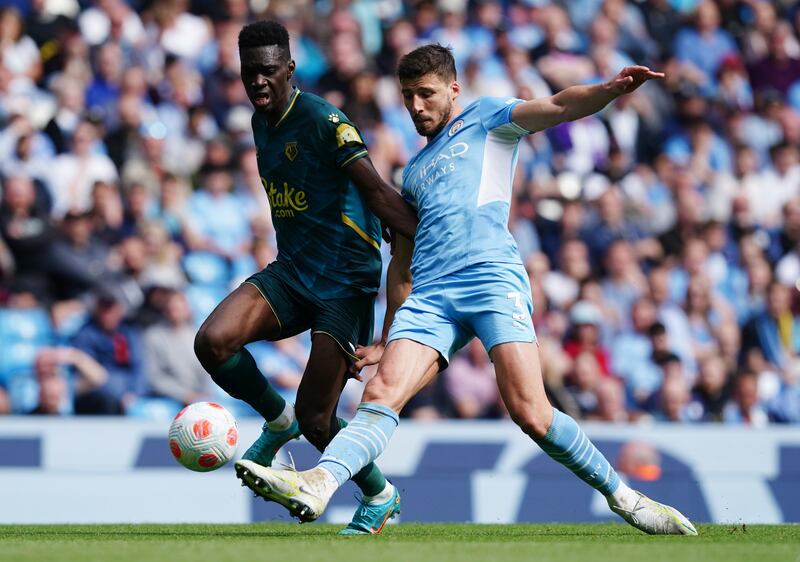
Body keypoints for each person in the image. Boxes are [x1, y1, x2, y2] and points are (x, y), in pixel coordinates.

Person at [237, 44, 698, 536]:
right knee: (381, 392)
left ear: (454, 89)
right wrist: (386, 337)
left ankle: (625, 499)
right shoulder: (411, 173)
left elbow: (560, 106)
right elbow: (402, 263)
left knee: (530, 412)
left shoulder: (487, 118)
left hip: (490, 275)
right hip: (432, 297)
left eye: (427, 94)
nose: (416, 107)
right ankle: (320, 483)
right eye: (408, 96)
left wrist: (609, 89)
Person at [192, 21, 418, 535]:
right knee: (213, 342)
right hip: (293, 272)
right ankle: (277, 422)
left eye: (268, 72)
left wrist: (425, 238)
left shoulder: (323, 120)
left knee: (319, 419)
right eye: (250, 73)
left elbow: (380, 193)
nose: (258, 83)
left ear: (290, 68)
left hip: (345, 283)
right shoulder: (259, 121)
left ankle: (380, 494)